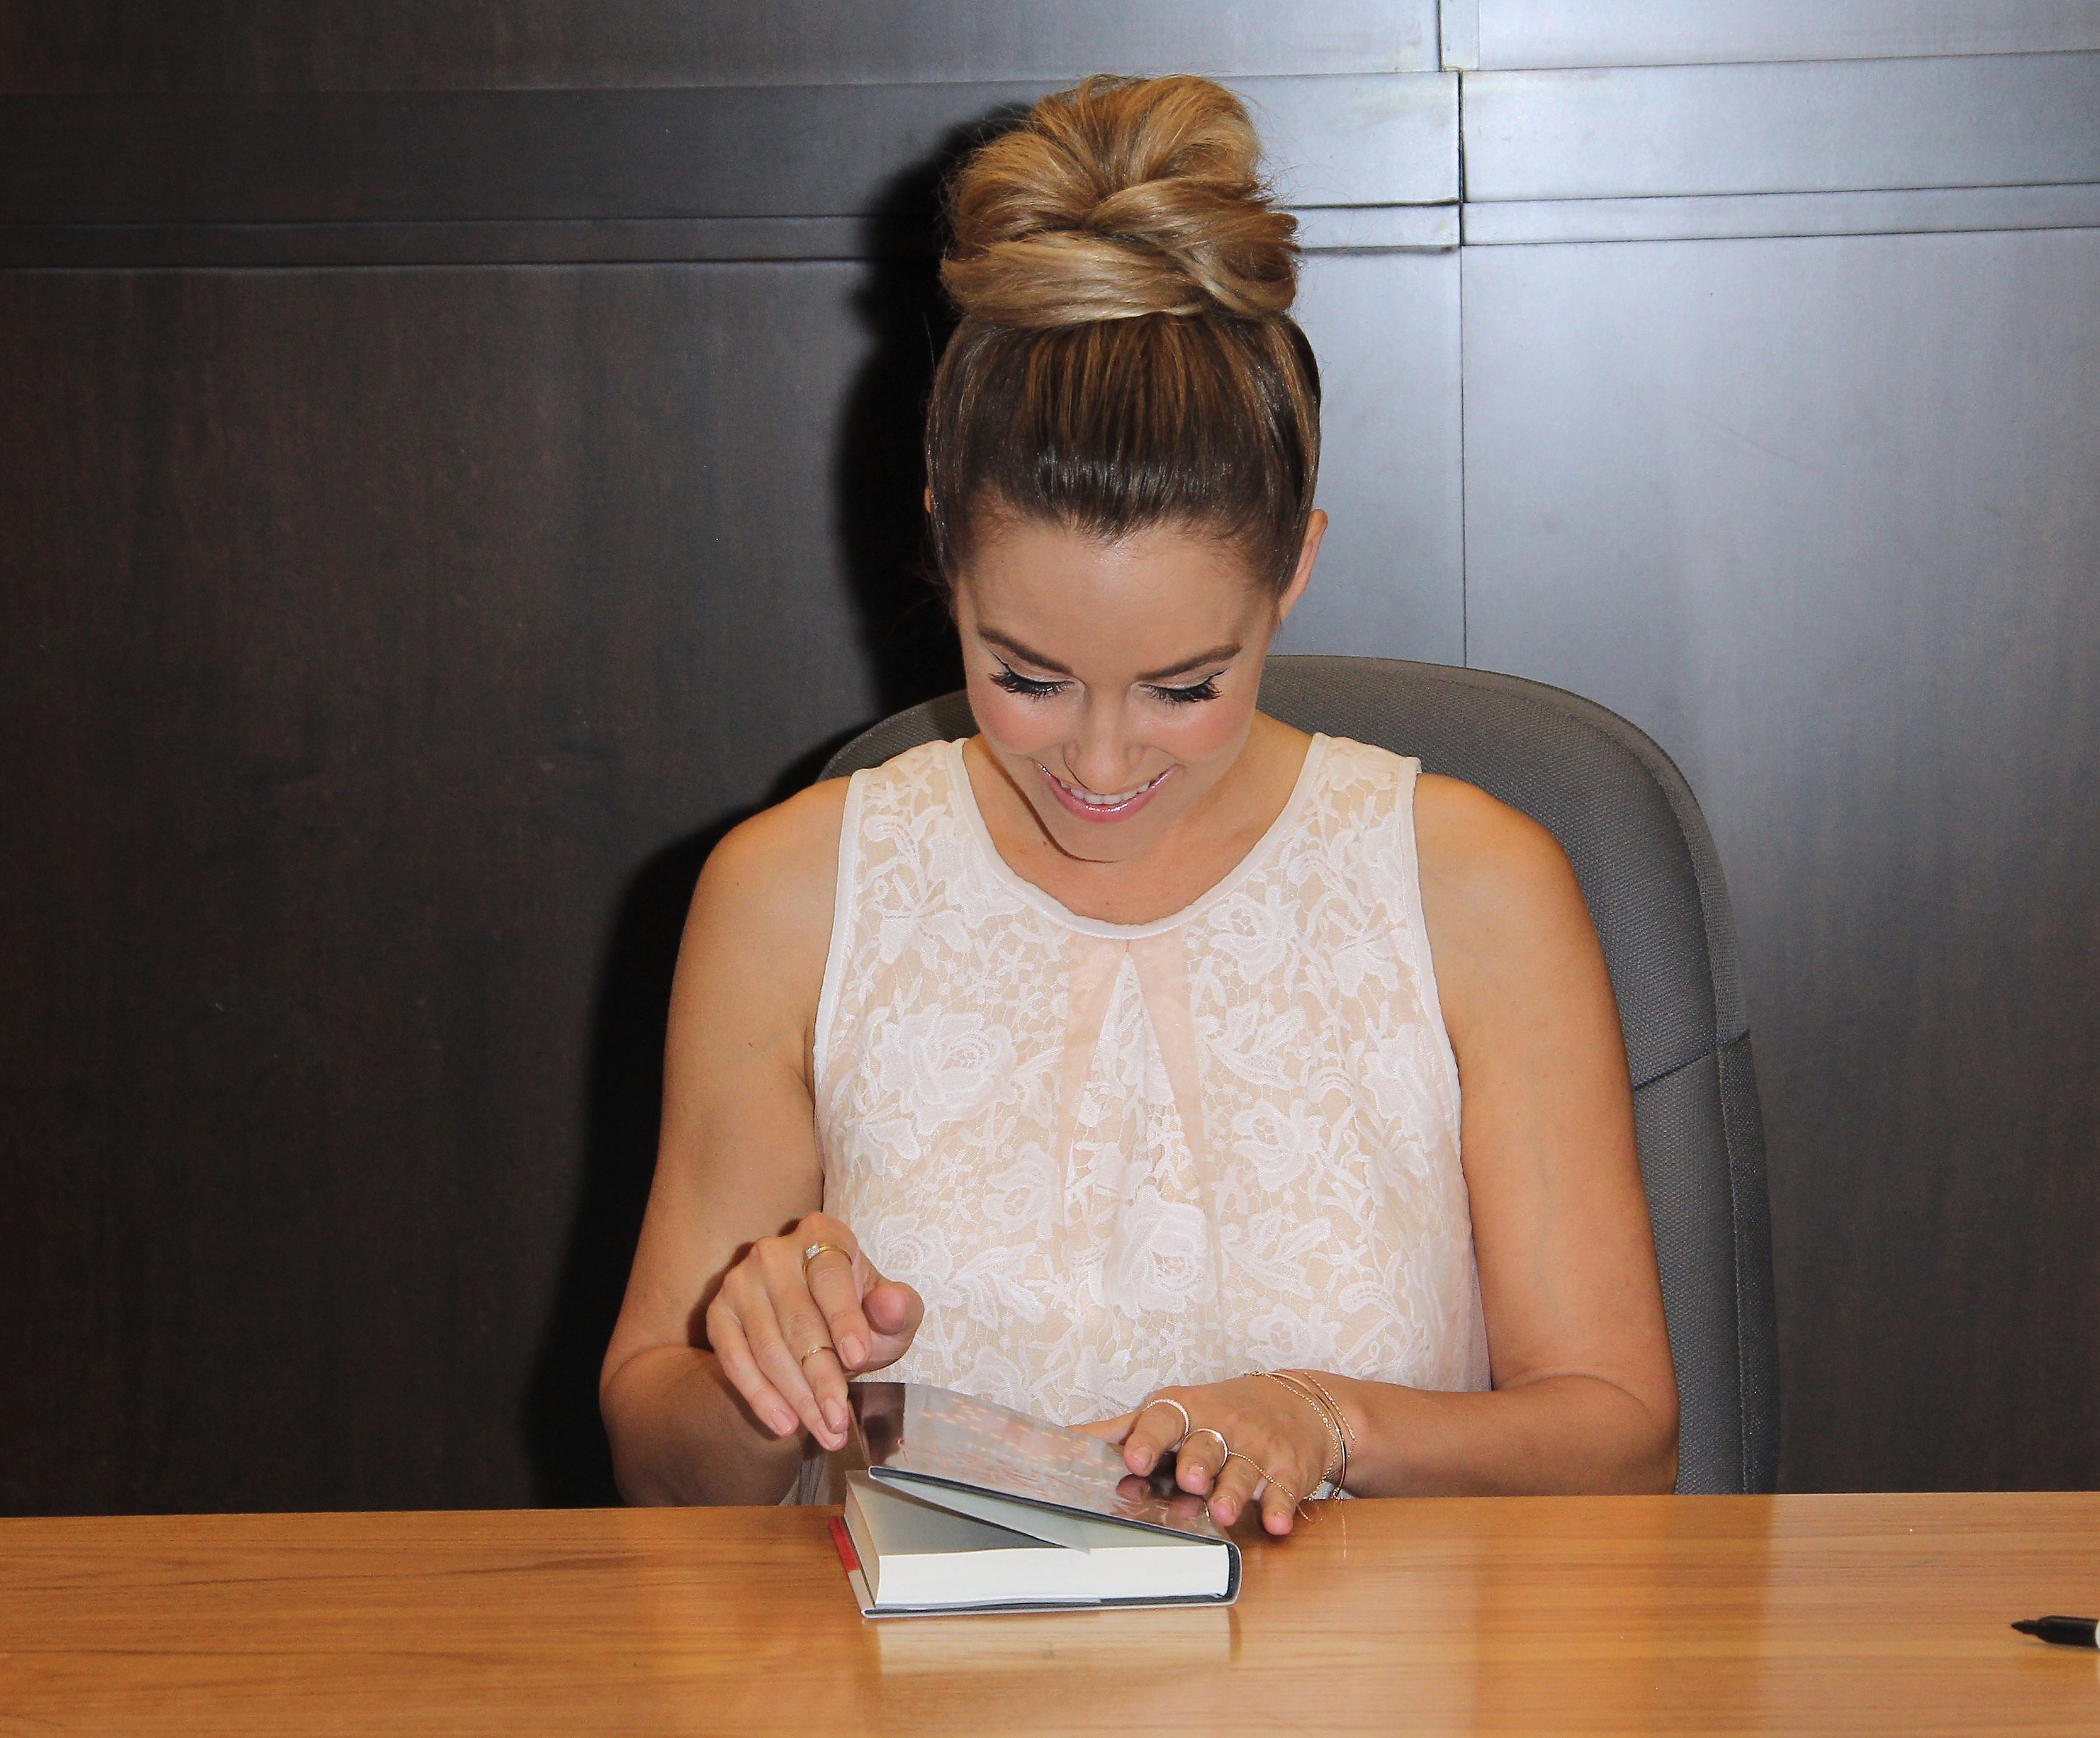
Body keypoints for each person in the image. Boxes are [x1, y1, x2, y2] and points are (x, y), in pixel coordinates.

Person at [600, 73, 1676, 1532]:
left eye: (1183, 687)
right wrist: (760, 1372)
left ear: (1293, 569)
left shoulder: (1475, 889)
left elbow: (1621, 1439)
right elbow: (658, 1468)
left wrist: (1329, 1419)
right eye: (1027, 677)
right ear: (945, 553)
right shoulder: (789, 894)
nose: (1101, 768)